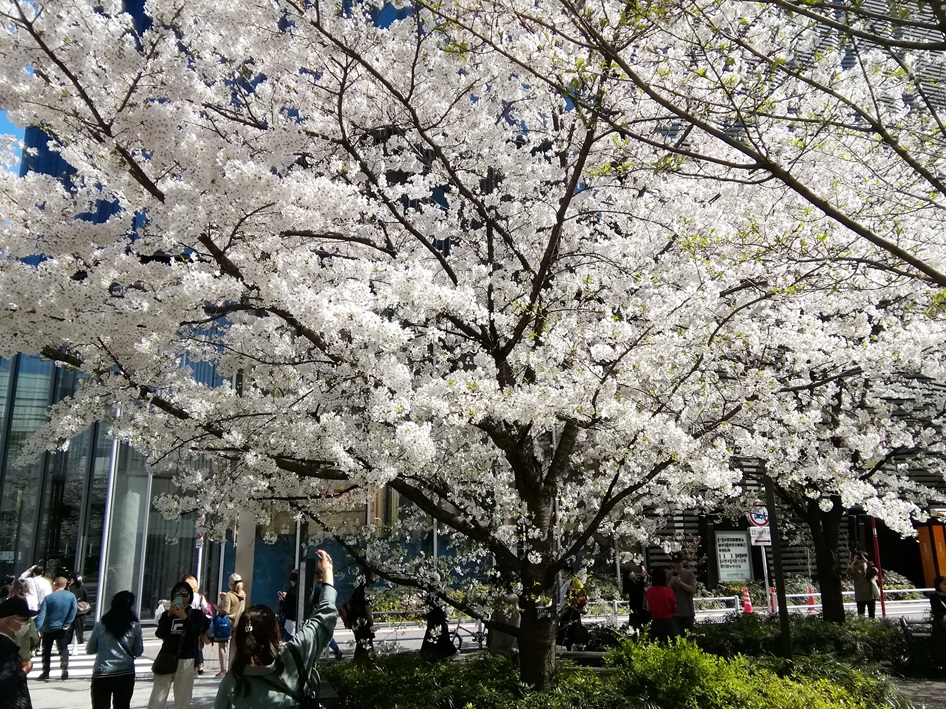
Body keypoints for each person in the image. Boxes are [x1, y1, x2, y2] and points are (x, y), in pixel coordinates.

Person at [213, 549, 338, 709]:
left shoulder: (233, 682)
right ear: (275, 632)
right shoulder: (294, 656)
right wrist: (327, 572)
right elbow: (324, 617)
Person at [147, 580, 209, 709]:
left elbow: (195, 633)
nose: (181, 598)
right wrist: (168, 616)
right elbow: (160, 633)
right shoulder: (167, 614)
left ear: (190, 597)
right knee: (158, 697)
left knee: (182, 698)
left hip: (186, 658)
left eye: (185, 594)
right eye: (177, 594)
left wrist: (184, 617)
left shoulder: (196, 614)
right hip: (167, 656)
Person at [87, 591, 144, 709]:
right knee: (122, 705)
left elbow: (90, 649)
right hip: (125, 673)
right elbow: (138, 651)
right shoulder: (135, 626)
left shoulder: (100, 625)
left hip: (102, 673)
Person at [35, 576, 77, 680]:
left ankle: (46, 671)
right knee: (63, 648)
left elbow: (42, 614)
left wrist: (38, 627)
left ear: (55, 584)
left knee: (46, 651)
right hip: (63, 628)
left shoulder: (48, 598)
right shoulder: (71, 596)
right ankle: (64, 664)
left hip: (49, 628)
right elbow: (74, 610)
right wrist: (67, 624)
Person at [0, 596, 38, 708]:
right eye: (24, 620)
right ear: (9, 622)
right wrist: (24, 671)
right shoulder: (4, 646)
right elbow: (4, 684)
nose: (26, 625)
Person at [217, 573, 246, 676]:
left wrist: (220, 605)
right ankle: (232, 668)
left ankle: (223, 670)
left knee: (222, 646)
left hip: (227, 623)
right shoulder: (243, 594)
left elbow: (225, 611)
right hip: (239, 624)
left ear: (230, 584)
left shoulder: (229, 595)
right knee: (234, 647)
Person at [182, 574, 211, 675]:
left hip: (185, 621)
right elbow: (206, 609)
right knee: (198, 644)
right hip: (197, 622)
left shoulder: (185, 596)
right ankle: (199, 666)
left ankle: (191, 664)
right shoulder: (200, 597)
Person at [555, 569, 588, 650]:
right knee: (564, 629)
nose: (561, 574)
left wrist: (573, 591)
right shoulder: (562, 582)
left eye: (563, 572)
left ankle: (574, 647)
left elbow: (581, 594)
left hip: (572, 609)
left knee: (571, 630)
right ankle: (568, 647)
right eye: (561, 572)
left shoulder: (574, 581)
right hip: (564, 608)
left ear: (568, 572)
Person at [347, 571, 376, 662]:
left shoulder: (358, 589)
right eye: (374, 574)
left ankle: (359, 663)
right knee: (366, 644)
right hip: (364, 622)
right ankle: (369, 664)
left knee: (361, 644)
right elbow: (367, 609)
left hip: (357, 621)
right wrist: (371, 624)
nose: (375, 576)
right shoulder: (365, 589)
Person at [419, 594, 457, 661]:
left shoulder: (432, 598)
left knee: (435, 639)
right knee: (439, 639)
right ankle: (436, 656)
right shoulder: (438, 597)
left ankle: (430, 657)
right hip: (437, 620)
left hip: (435, 620)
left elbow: (429, 607)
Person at [668, 551, 697, 636]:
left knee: (689, 638)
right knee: (677, 639)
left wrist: (680, 583)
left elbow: (693, 590)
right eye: (675, 562)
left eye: (679, 562)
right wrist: (671, 582)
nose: (677, 564)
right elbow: (666, 592)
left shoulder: (689, 574)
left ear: (682, 561)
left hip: (688, 612)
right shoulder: (669, 575)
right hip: (674, 613)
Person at [646, 567, 677, 644]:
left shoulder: (649, 591)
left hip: (655, 621)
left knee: (655, 644)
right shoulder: (668, 592)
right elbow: (674, 607)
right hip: (667, 621)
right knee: (669, 644)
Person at [850, 551, 881, 619]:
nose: (860, 560)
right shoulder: (855, 568)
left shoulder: (870, 567)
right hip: (860, 596)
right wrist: (854, 561)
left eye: (861, 558)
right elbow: (848, 572)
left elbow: (876, 572)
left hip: (870, 596)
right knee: (861, 616)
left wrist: (866, 562)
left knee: (872, 616)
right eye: (858, 558)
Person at [622, 566, 650, 631]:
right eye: (632, 573)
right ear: (629, 575)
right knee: (638, 622)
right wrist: (642, 577)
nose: (634, 574)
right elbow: (638, 588)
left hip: (638, 605)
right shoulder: (630, 583)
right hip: (637, 605)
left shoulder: (633, 582)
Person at [68, 574, 90, 652]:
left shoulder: (70, 588)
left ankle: (69, 640)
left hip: (71, 609)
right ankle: (79, 639)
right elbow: (86, 598)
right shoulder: (83, 587)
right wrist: (88, 611)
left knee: (70, 627)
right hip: (81, 610)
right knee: (80, 627)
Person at [277, 570, 298, 641]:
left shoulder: (291, 591)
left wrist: (281, 601)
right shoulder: (304, 590)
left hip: (291, 623)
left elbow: (285, 608)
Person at [930, 575, 946, 670]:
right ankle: (940, 662)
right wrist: (943, 616)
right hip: (940, 622)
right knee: (941, 641)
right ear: (938, 585)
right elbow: (935, 610)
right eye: (944, 584)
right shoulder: (934, 597)